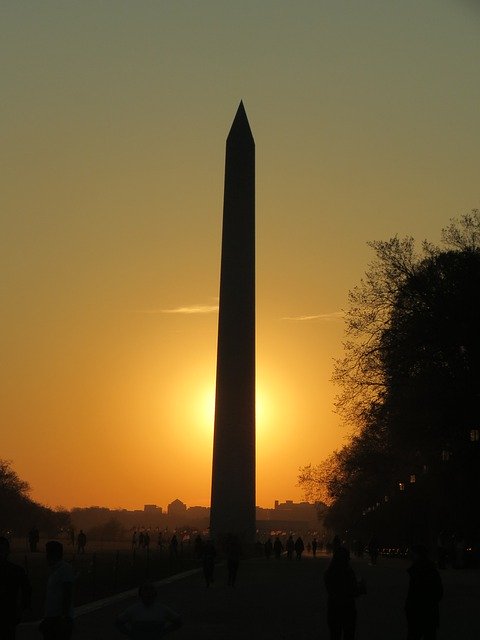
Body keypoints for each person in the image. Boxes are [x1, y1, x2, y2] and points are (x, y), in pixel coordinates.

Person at [116, 582, 182, 638]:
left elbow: (119, 623)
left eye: (150, 595)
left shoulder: (133, 609)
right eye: (146, 594)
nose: (148, 596)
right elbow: (178, 621)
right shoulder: (162, 609)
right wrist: (164, 632)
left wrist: (131, 634)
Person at [405, 544, 443, 640]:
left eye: (412, 553)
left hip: (419, 613)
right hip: (429, 613)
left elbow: (414, 594)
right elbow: (439, 593)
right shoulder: (430, 569)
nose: (410, 555)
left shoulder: (418, 571)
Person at [39, 540, 75, 640]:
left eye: (48, 553)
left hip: (59, 619)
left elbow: (67, 593)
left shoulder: (64, 569)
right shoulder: (55, 570)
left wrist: (64, 617)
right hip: (52, 617)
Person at [324, 546, 360, 640]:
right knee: (349, 635)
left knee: (335, 635)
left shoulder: (329, 572)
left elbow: (330, 588)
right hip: (348, 609)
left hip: (334, 608)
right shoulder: (348, 572)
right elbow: (353, 590)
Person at [0, 536, 32, 639]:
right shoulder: (17, 570)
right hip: (10, 613)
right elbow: (26, 591)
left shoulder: (16, 571)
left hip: (9, 613)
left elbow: (26, 591)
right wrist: (23, 608)